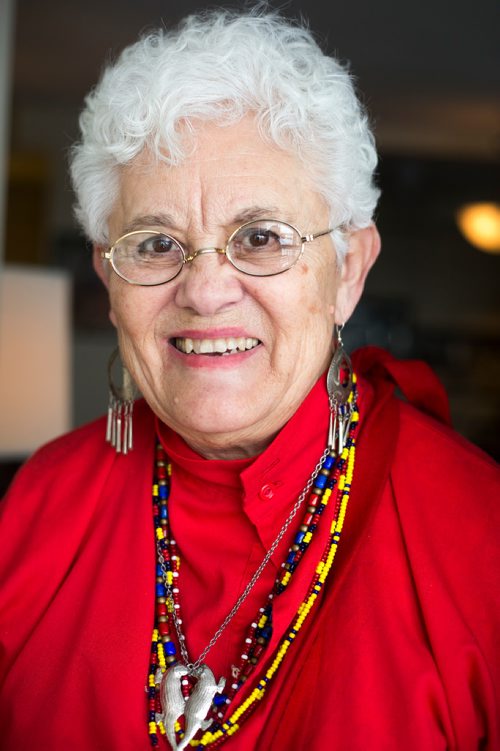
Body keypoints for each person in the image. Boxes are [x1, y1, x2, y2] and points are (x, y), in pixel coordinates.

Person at [0, 8, 499, 751]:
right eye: (157, 242)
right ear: (110, 280)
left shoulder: (477, 540)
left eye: (260, 237)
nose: (204, 290)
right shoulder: (39, 504)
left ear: (349, 271)